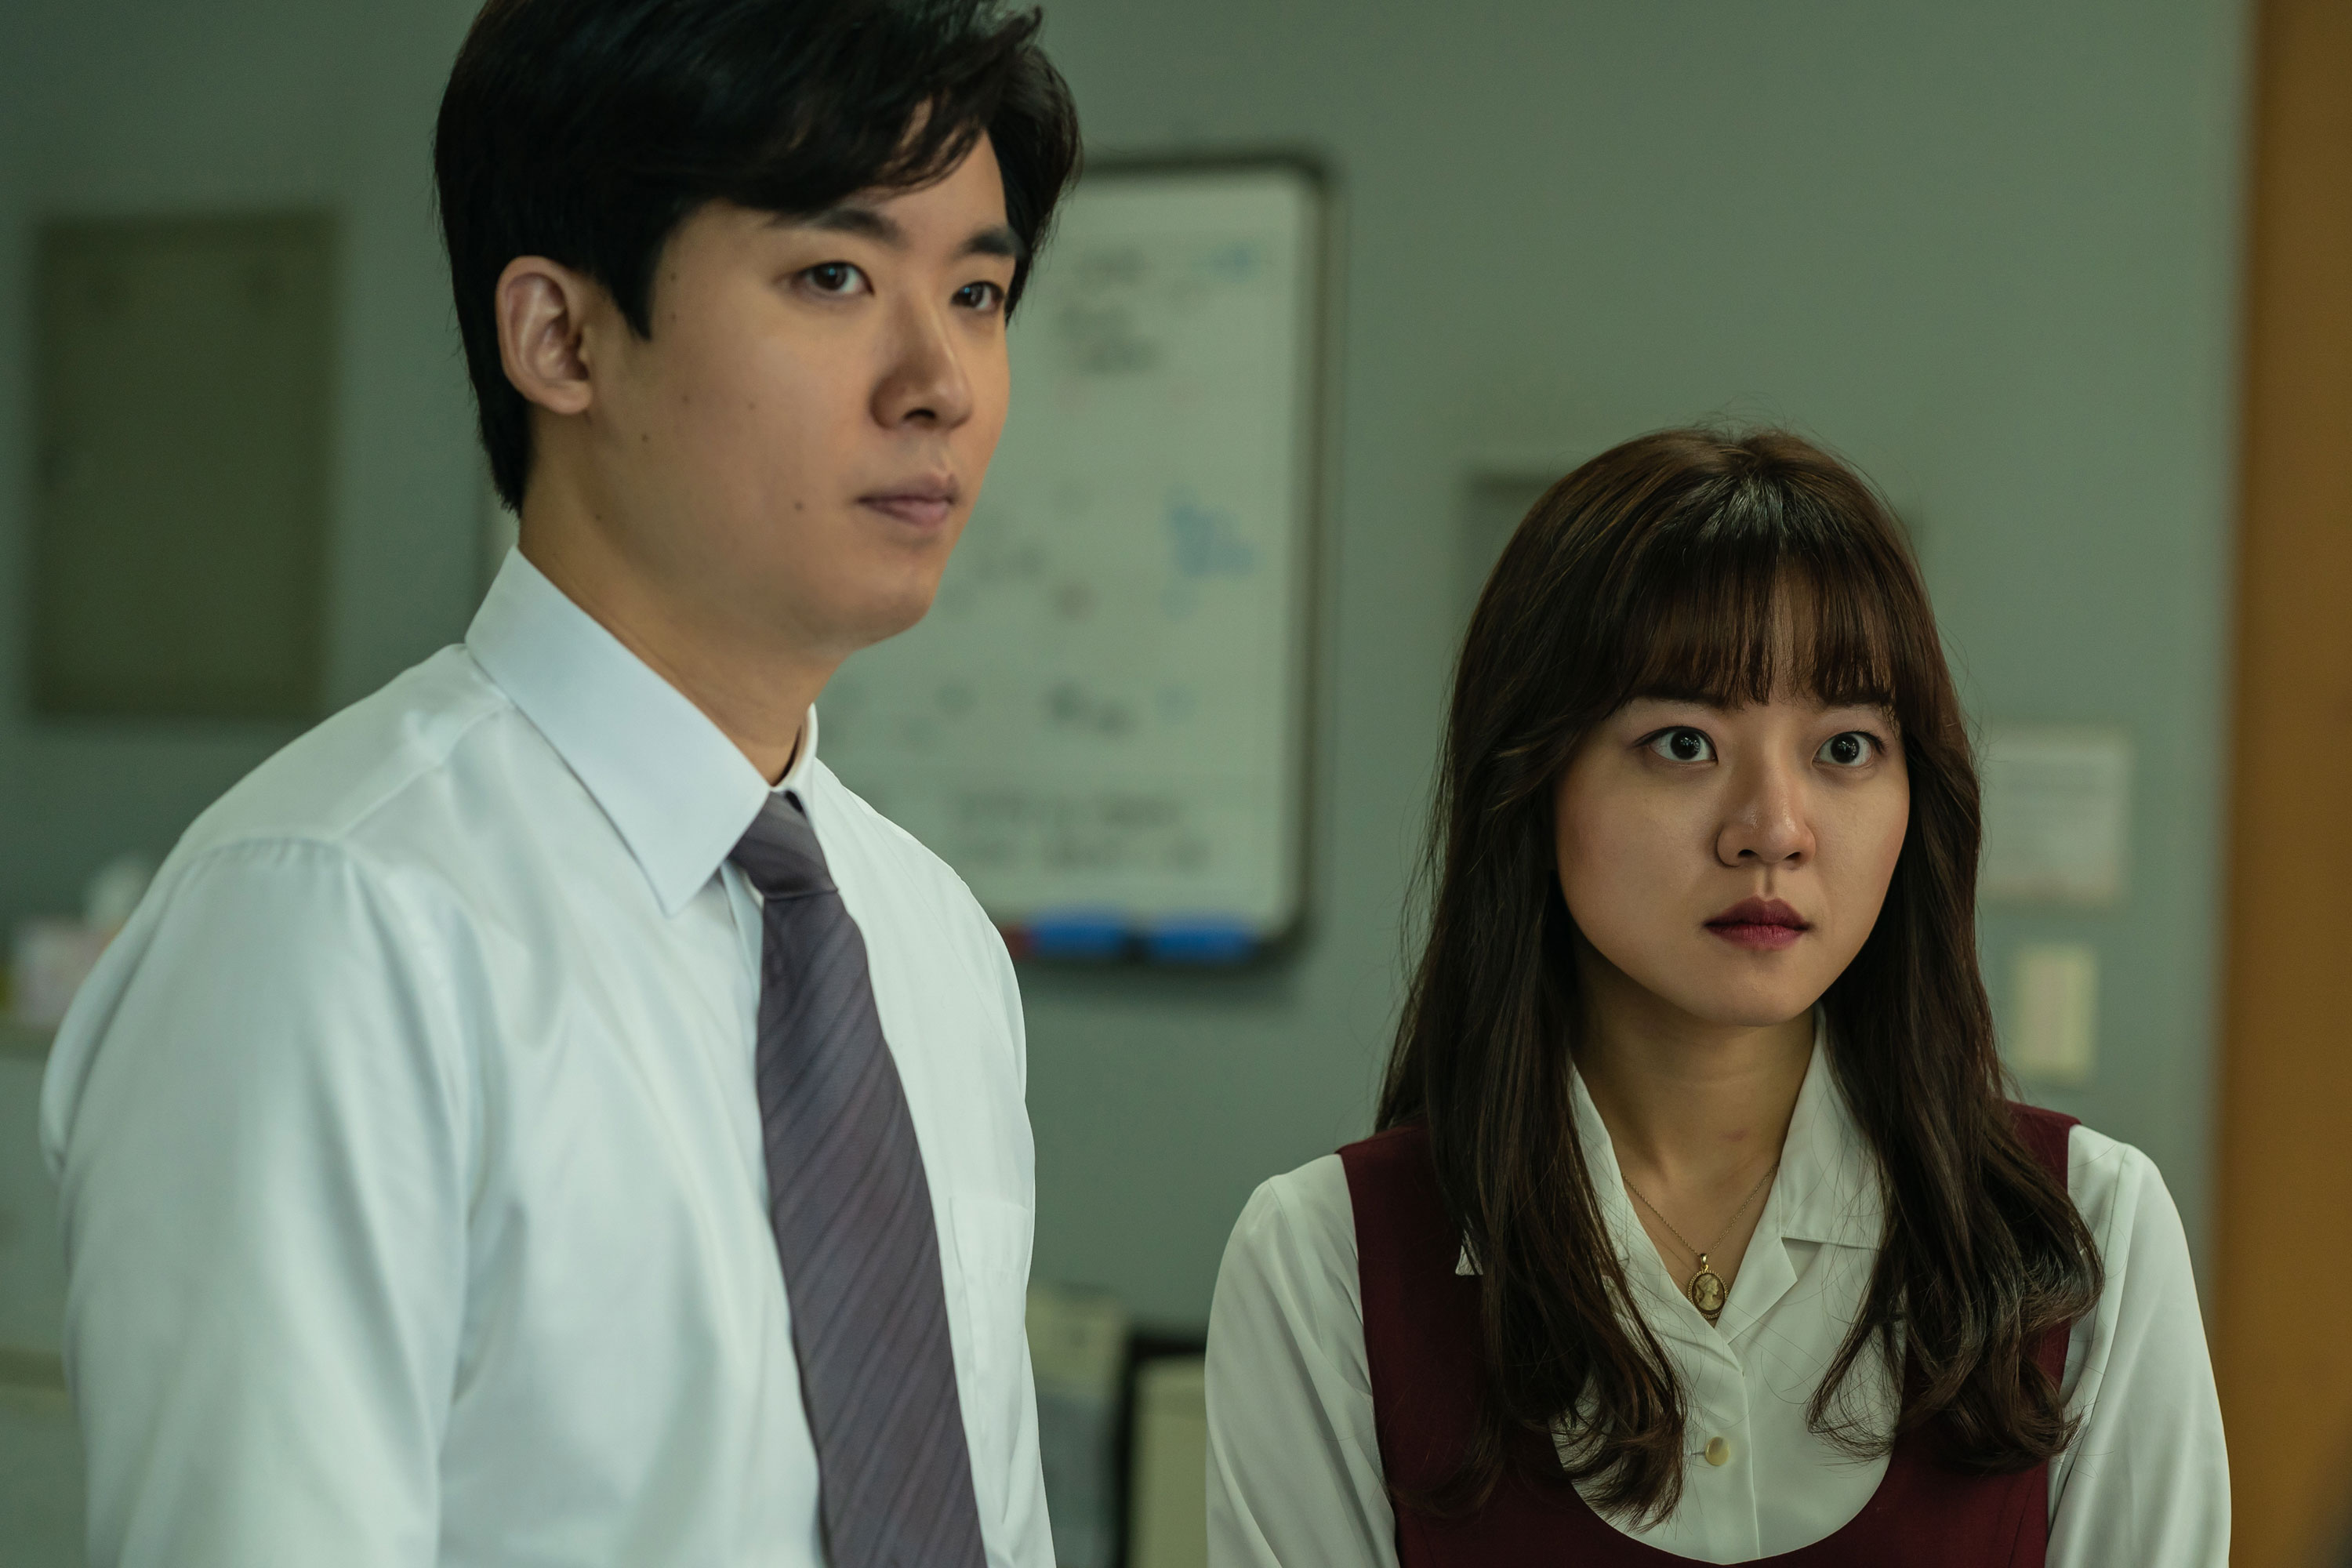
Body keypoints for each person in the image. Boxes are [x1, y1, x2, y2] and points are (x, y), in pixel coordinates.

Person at [39, 2, 1080, 1563]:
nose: (940, 380)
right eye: (835, 276)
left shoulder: (926, 941)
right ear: (561, 338)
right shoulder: (332, 925)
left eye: (979, 292)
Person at [1203, 429, 2227, 1566]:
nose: (1773, 829)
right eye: (1684, 742)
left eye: (1846, 748)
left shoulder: (2086, 1237)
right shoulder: (1329, 1262)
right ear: (1531, 781)